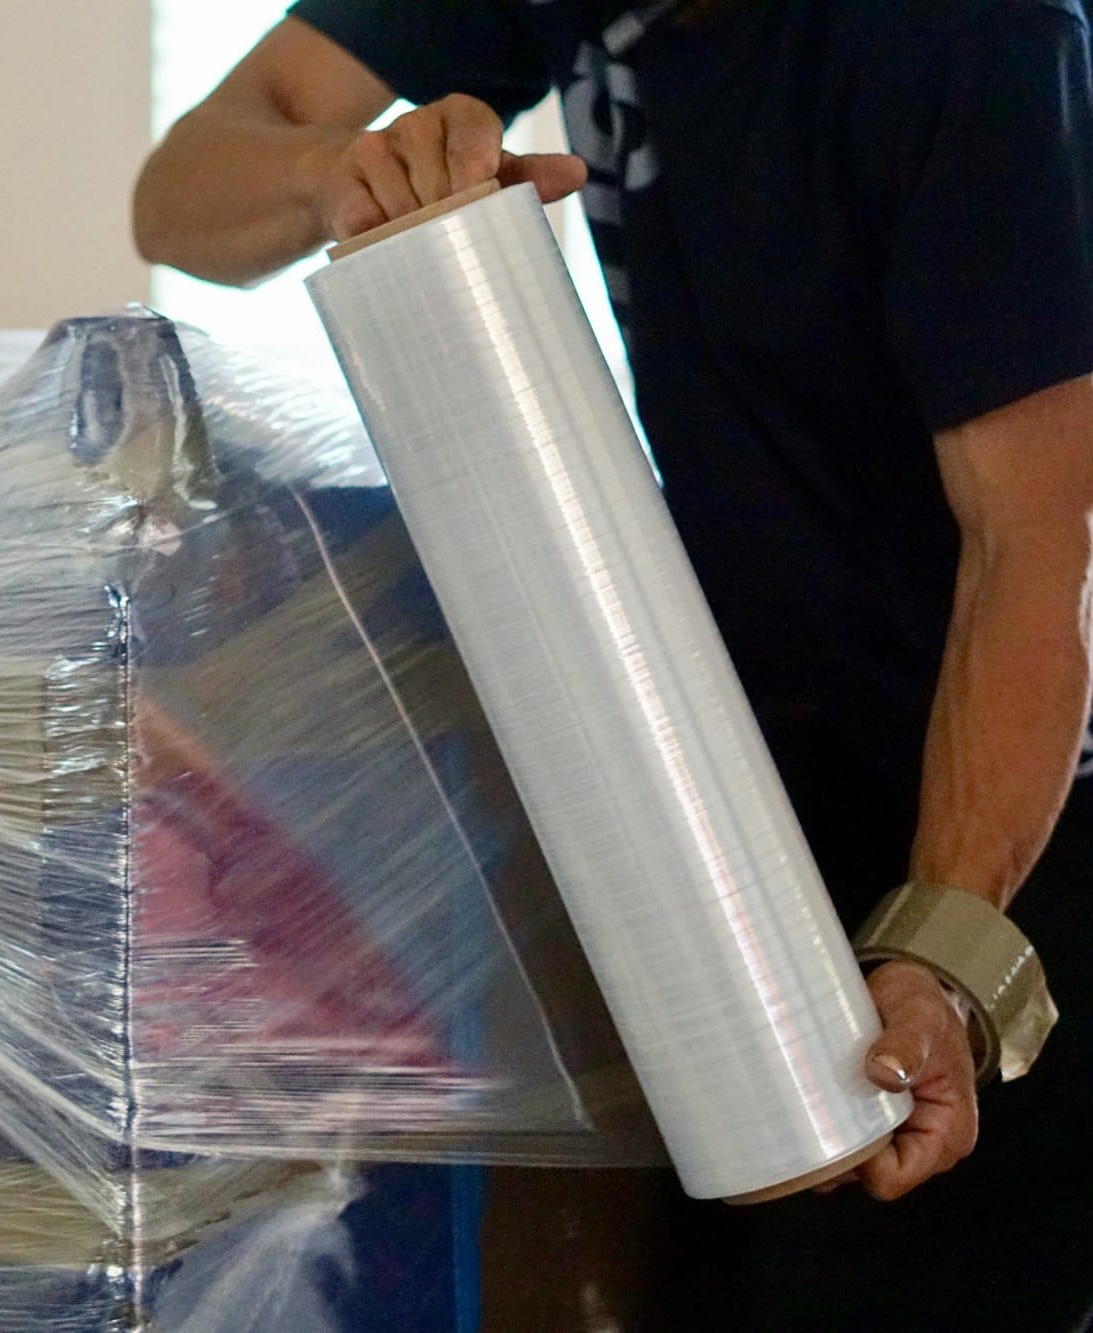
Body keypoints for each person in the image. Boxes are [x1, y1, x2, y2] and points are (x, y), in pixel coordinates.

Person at [135, 2, 1093, 1330]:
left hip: (1000, 777)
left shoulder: (967, 41)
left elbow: (1039, 552)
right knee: (704, 1276)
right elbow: (178, 195)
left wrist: (946, 956)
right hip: (741, 763)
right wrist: (333, 170)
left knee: (908, 1272)